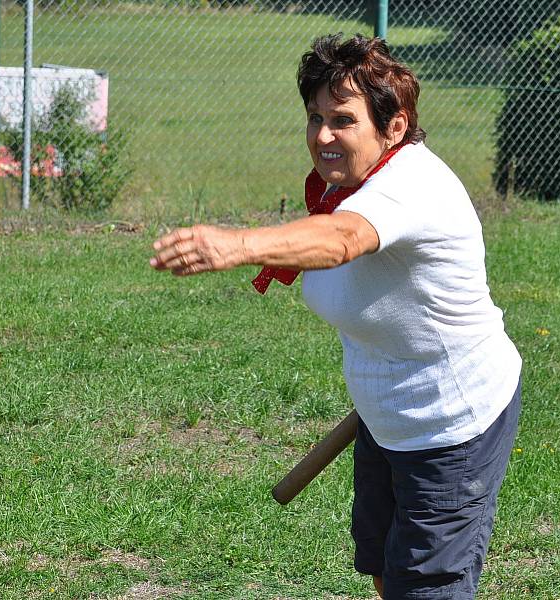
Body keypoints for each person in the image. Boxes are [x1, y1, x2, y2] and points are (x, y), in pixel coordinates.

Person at [150, 33, 522, 600]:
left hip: (452, 423)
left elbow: (344, 239)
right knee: (380, 560)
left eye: (343, 120)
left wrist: (240, 244)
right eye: (314, 116)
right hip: (385, 411)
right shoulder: (342, 189)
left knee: (426, 584)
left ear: (394, 128)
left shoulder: (410, 187)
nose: (323, 135)